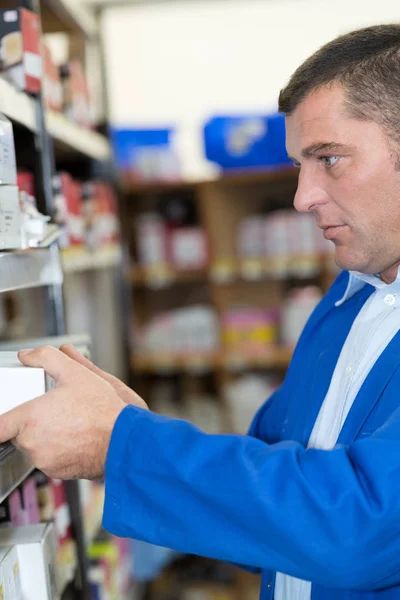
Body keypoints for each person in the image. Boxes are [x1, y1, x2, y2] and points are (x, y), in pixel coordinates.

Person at [2, 23, 400, 600]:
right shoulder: (349, 303)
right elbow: (272, 469)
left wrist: (124, 445)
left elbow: (363, 527)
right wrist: (127, 430)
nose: (302, 197)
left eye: (330, 158)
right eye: (299, 165)